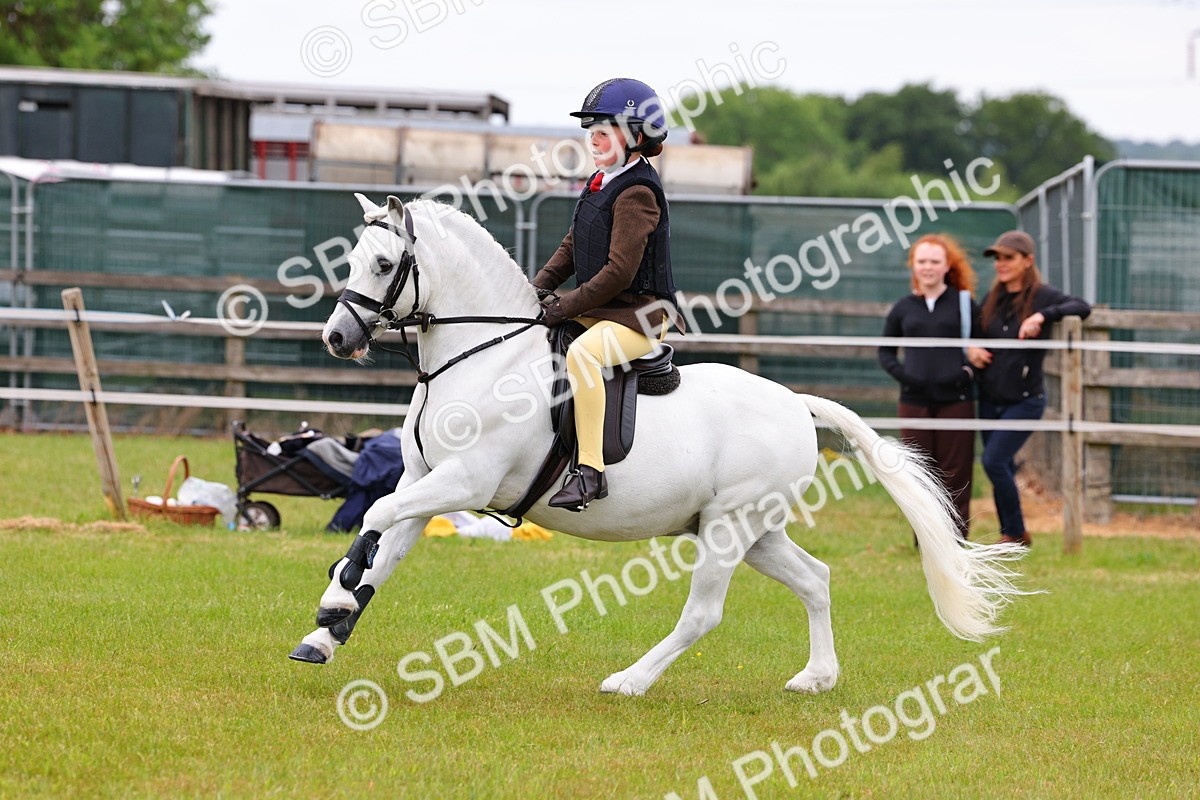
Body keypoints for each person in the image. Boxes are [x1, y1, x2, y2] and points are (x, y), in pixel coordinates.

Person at [530, 78, 682, 512]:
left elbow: (619, 273)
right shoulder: (601, 179)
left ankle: (591, 473)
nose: (593, 138)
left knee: (584, 356)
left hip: (641, 316)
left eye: (605, 129)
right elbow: (574, 244)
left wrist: (562, 307)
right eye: (590, 129)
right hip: (603, 310)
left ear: (637, 137)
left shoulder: (636, 191)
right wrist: (537, 288)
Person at [968, 230, 1092, 548]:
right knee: (1003, 466)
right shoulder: (992, 300)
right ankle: (1011, 534)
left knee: (994, 461)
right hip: (990, 397)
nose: (1001, 264)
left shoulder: (1044, 296)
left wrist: (1042, 315)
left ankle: (1014, 534)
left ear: (1028, 261)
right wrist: (973, 350)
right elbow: (976, 335)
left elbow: (1081, 306)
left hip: (1026, 400)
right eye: (997, 258)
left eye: (1008, 257)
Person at [878, 234, 979, 540]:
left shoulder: (964, 305)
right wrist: (906, 376)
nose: (928, 267)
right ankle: (925, 539)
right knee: (919, 473)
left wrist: (965, 374)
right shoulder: (903, 308)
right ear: (913, 265)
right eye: (922, 261)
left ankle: (956, 540)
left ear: (947, 265)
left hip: (957, 402)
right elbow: (885, 351)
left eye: (935, 261)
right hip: (914, 401)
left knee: (956, 473)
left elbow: (984, 350)